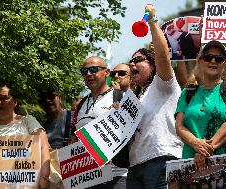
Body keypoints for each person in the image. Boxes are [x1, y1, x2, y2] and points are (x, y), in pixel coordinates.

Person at [127, 4, 182, 189]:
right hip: (135, 166)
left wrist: (151, 20)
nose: (132, 64)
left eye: (138, 60)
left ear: (152, 65)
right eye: (130, 62)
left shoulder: (163, 83)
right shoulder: (136, 96)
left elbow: (162, 56)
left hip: (161, 159)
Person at [175, 40, 226, 168]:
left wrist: (205, 151)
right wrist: (196, 143)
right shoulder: (187, 92)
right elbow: (179, 126)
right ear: (199, 61)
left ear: (225, 64)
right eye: (208, 57)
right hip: (192, 165)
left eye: (219, 58)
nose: (213, 61)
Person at [0, 85, 50, 189]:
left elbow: (43, 147)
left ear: (15, 102)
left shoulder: (28, 121)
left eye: (4, 98)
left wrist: (44, 177)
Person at [76, 56, 126, 189]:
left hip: (116, 176)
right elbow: (74, 140)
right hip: (86, 178)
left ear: (107, 72)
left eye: (93, 69)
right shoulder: (81, 104)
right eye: (84, 71)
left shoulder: (119, 96)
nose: (88, 74)